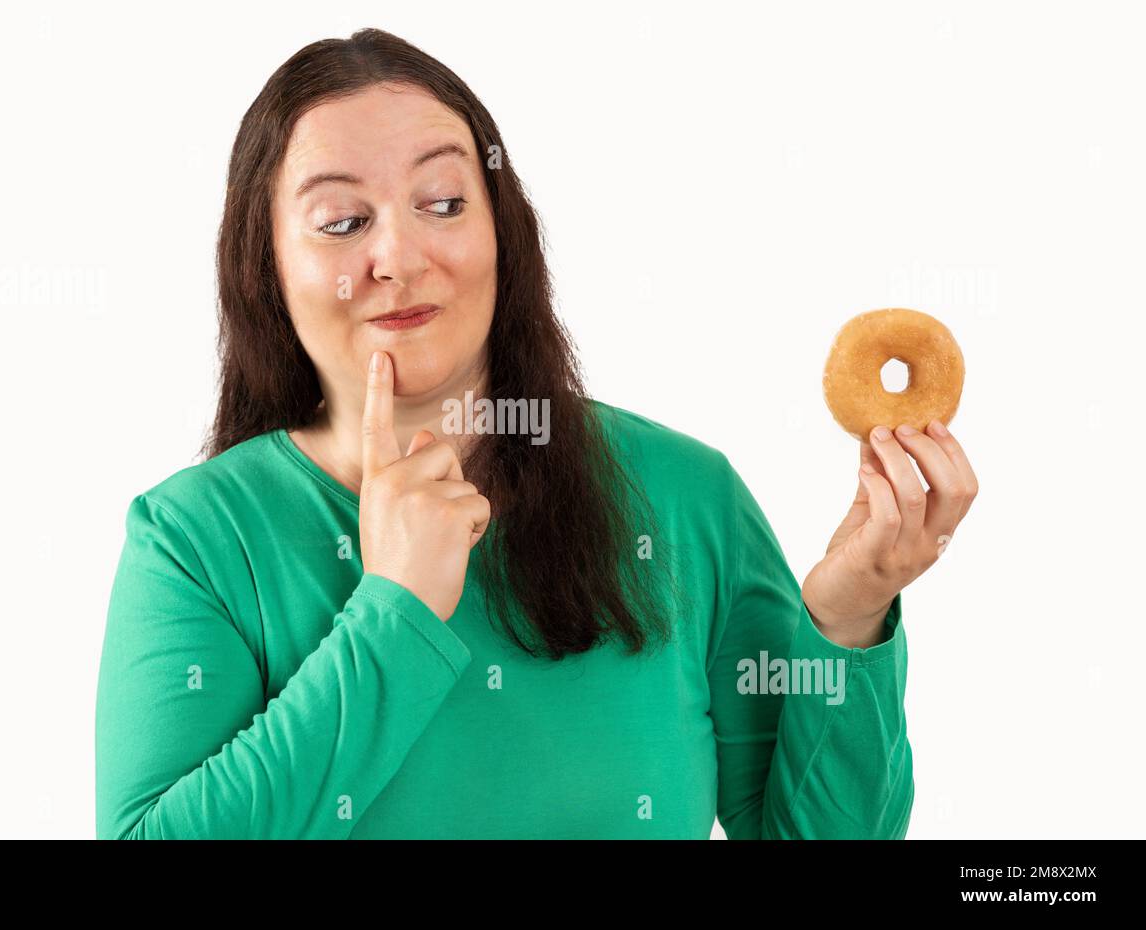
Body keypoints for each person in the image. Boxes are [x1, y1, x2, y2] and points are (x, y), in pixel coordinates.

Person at [94, 28, 979, 839]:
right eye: (341, 222)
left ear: (502, 233)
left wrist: (852, 615)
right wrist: (394, 613)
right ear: (265, 266)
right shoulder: (194, 542)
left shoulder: (684, 498)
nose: (400, 257)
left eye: (443, 202)